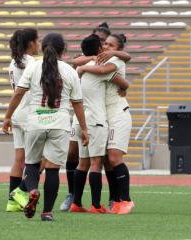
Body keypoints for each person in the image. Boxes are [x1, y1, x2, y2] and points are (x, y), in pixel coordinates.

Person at [2, 33, 89, 221]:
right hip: (60, 123)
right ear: (63, 50)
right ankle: (47, 212)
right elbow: (78, 103)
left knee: (32, 164)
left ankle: (32, 190)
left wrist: (8, 117)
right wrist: (84, 129)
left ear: (43, 48)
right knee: (52, 169)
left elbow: (18, 93)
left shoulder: (33, 67)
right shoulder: (69, 71)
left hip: (35, 122)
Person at [60, 22, 131, 211]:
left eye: (110, 45)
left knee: (106, 159)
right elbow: (118, 79)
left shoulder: (111, 61)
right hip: (95, 118)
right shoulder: (93, 63)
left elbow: (111, 71)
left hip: (109, 115)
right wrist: (124, 85)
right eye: (104, 44)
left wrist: (83, 68)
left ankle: (116, 199)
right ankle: (91, 202)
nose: (106, 47)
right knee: (92, 161)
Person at [6, 28, 39, 212]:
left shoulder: (13, 62)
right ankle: (20, 192)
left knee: (19, 159)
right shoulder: (31, 62)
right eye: (37, 40)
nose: (39, 44)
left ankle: (12, 202)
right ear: (30, 43)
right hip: (29, 114)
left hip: (17, 113)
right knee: (38, 160)